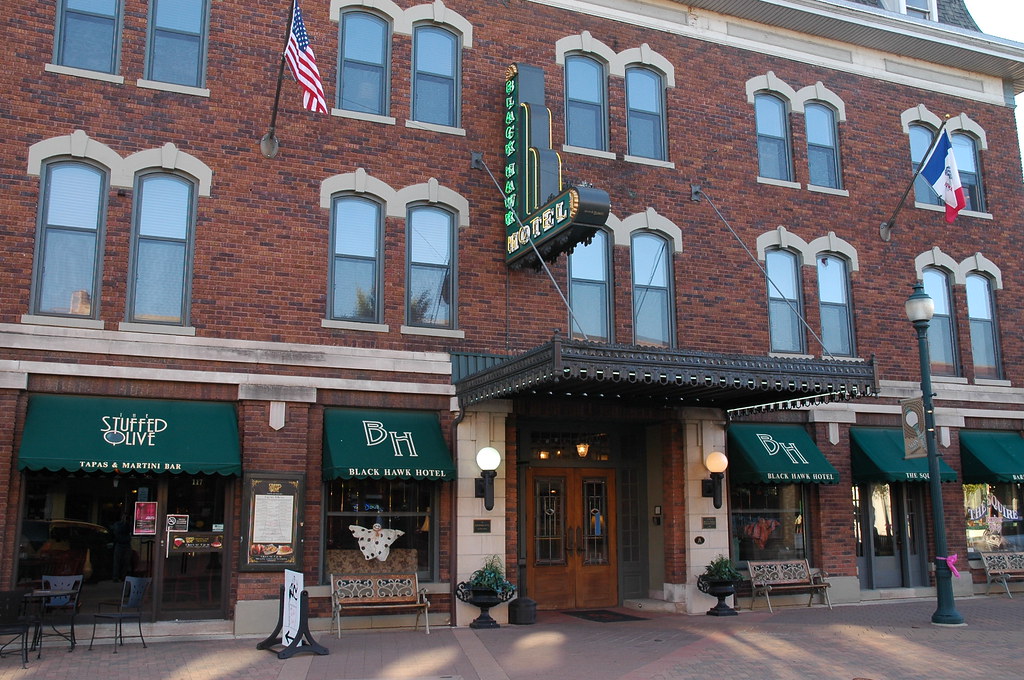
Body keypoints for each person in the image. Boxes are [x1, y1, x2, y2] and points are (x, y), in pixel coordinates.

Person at [110, 513, 132, 581]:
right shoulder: (118, 525)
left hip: (125, 544)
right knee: (117, 562)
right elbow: (117, 532)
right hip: (120, 544)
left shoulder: (128, 525)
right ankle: (116, 577)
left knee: (125, 562)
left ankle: (123, 576)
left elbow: (130, 531)